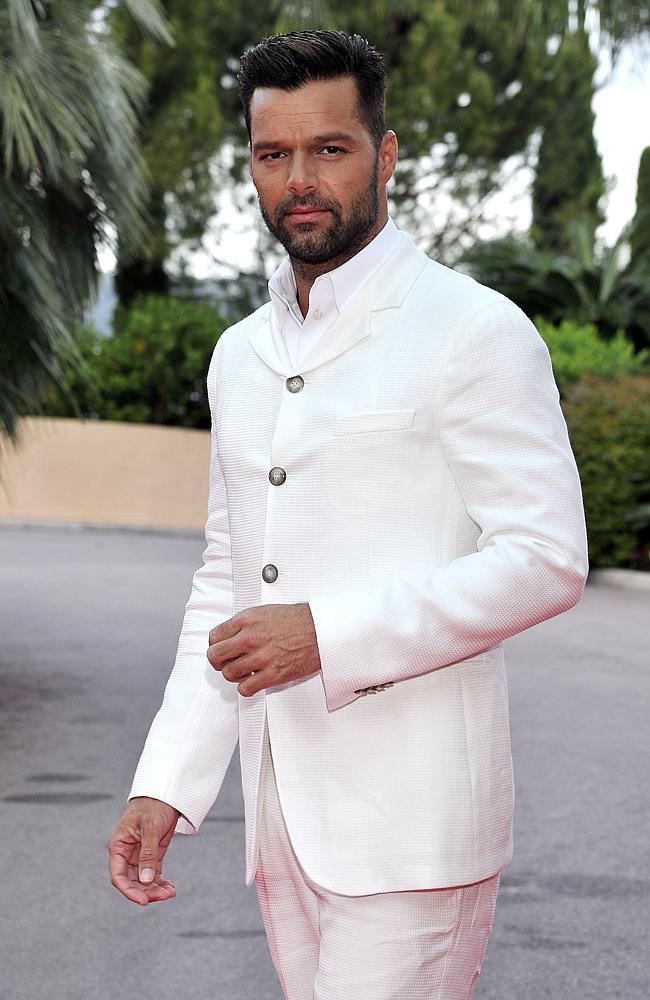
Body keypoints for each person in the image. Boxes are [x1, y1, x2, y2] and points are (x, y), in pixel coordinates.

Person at [108, 29, 588, 999]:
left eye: (328, 149)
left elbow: (545, 556)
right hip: (280, 816)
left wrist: (327, 635)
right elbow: (226, 577)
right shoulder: (238, 355)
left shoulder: (472, 330)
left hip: (415, 829)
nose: (298, 180)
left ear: (385, 154)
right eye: (271, 153)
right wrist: (168, 777)